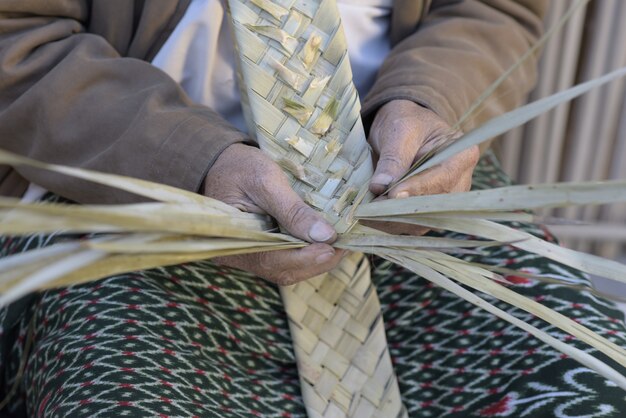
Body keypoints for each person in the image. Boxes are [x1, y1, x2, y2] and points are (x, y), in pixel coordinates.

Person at [0, 0, 624, 417]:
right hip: (118, 178)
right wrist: (191, 161)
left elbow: (492, 9)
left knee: (590, 388)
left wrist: (428, 99)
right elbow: (15, 38)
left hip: (398, 174)